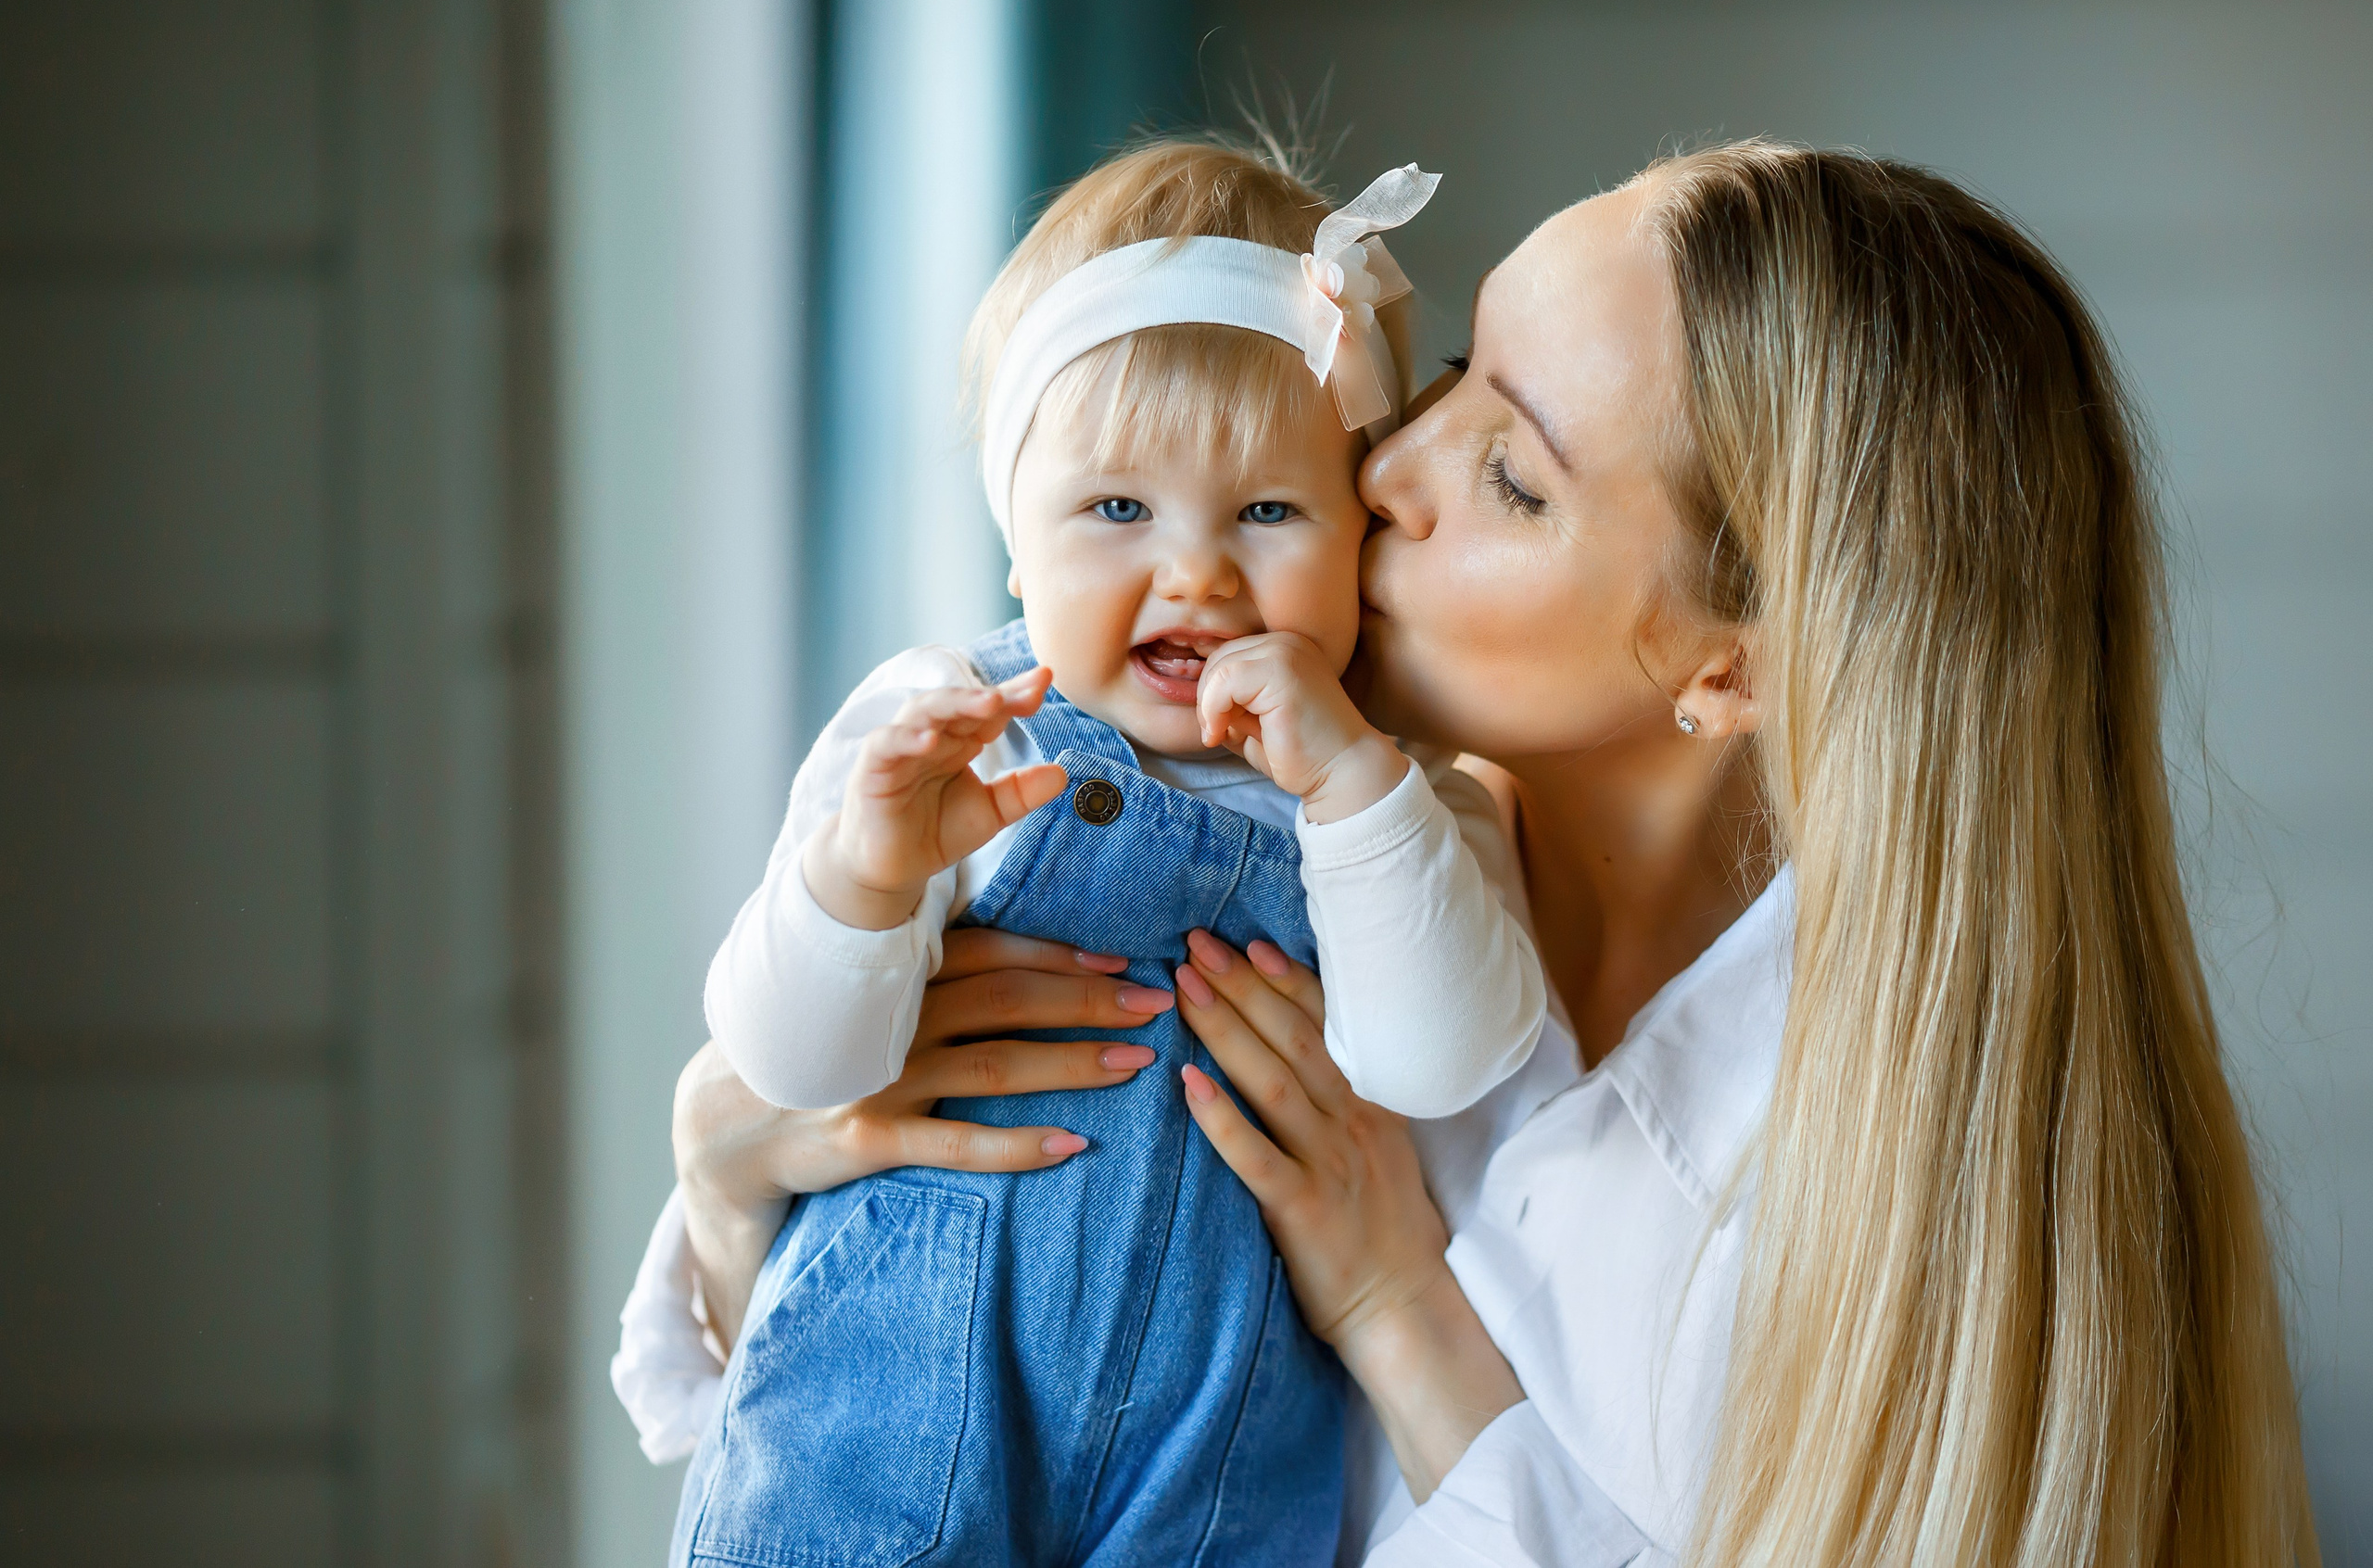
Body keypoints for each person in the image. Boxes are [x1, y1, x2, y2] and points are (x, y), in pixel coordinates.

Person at [622, 140, 2321, 1564]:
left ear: (1732, 668)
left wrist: (1398, 1313)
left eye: (1510, 473)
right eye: (1449, 379)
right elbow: (868, 1409)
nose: (1385, 466)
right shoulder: (1330, 858)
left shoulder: (1850, 1220)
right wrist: (725, 1178)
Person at [664, 140, 1548, 1568]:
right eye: (1116, 509)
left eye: (1268, 511)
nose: (1194, 572)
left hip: (1217, 1455)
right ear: (1018, 541)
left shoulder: (1403, 807)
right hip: (885, 1406)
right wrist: (870, 877)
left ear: (1360, 541)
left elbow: (1439, 1061)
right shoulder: (946, 734)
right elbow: (797, 1062)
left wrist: (1351, 793)